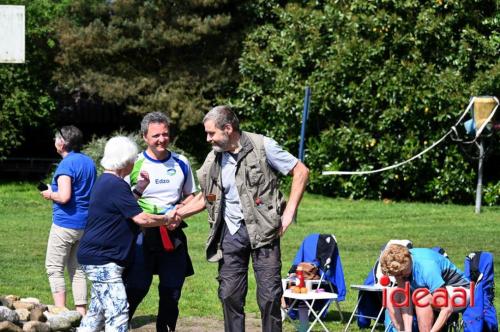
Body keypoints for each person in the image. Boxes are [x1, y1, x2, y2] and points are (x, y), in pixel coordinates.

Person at [176, 105, 309, 332]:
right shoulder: (214, 158)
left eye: (211, 133)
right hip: (230, 233)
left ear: (228, 128)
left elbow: (301, 171)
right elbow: (207, 196)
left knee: (269, 296)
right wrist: (177, 214)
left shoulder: (263, 146)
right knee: (229, 295)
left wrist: (289, 213)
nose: (208, 139)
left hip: (264, 232)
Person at [77, 136, 176, 332]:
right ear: (125, 161)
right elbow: (141, 219)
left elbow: (125, 205)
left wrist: (139, 189)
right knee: (118, 313)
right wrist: (167, 219)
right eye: (133, 159)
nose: (135, 162)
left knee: (97, 314)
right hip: (103, 259)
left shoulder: (108, 182)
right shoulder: (115, 184)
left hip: (97, 258)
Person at [124, 112, 196, 332]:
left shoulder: (181, 162)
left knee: (172, 290)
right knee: (136, 287)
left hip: (172, 232)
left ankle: (165, 328)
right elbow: (123, 199)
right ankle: (118, 324)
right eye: (156, 135)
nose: (161, 139)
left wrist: (179, 212)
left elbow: (191, 196)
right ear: (144, 137)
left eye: (165, 134)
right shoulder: (134, 163)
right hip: (142, 233)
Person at [40, 125, 96, 315]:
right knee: (78, 269)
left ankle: (61, 311)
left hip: (66, 224)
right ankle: (82, 314)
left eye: (56, 139)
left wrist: (49, 194)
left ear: (62, 143)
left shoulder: (66, 165)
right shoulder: (89, 162)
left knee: (54, 267)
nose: (54, 142)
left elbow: (64, 197)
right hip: (85, 224)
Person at [380, 244, 470, 332]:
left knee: (421, 298)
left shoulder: (427, 267)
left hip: (461, 290)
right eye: (395, 275)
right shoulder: (400, 267)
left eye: (400, 274)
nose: (398, 277)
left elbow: (447, 308)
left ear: (407, 262)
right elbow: (405, 299)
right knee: (390, 295)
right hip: (433, 291)